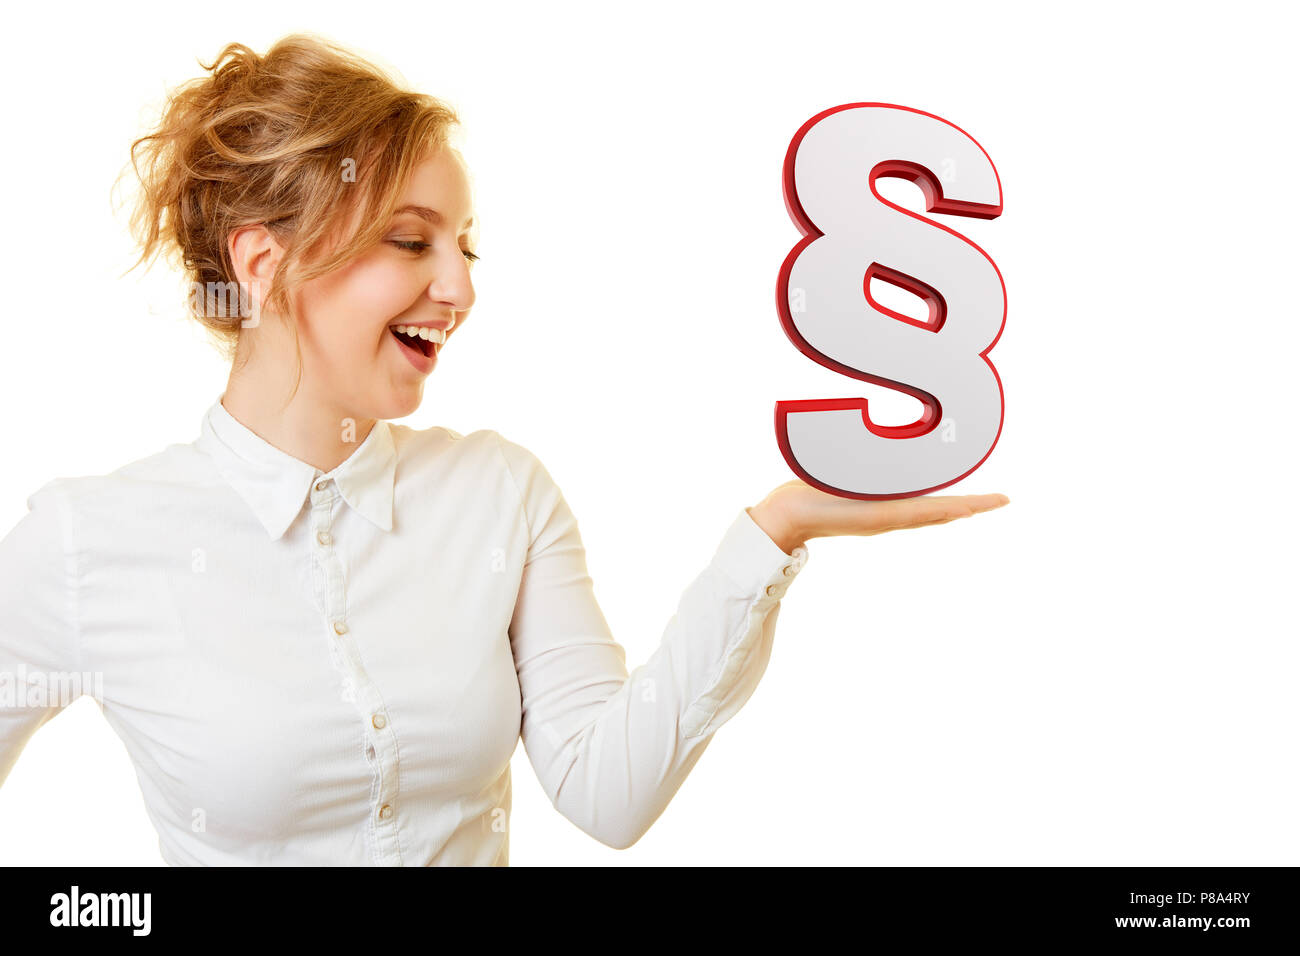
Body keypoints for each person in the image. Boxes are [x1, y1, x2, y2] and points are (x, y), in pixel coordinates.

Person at [0, 34, 1009, 865]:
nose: (460, 288)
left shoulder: (499, 492)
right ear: (264, 264)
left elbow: (606, 791)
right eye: (411, 241)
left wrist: (776, 528)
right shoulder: (88, 540)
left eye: (465, 246)